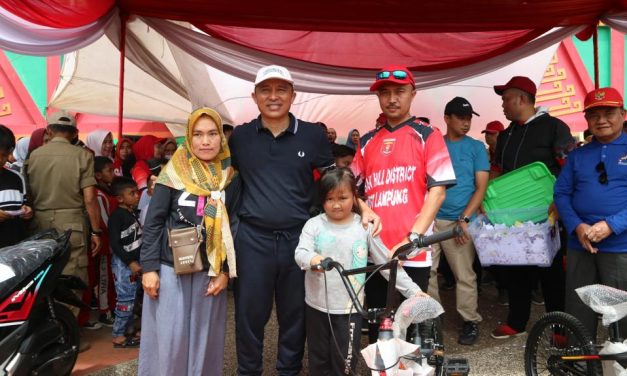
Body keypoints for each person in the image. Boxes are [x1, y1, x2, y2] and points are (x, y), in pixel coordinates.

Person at [229, 65, 379, 376]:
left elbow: (332, 181)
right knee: (248, 315)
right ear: (254, 96)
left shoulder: (311, 135)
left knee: (295, 315)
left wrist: (362, 206)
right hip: (252, 239)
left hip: (298, 240)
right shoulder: (241, 137)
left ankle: (288, 371)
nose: (273, 96)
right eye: (266, 90)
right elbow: (216, 176)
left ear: (293, 95)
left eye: (281, 89)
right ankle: (248, 371)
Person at [352, 64, 456, 343]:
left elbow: (438, 191)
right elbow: (350, 190)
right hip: (375, 252)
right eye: (385, 93)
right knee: (378, 327)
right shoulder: (367, 141)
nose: (392, 98)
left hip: (413, 251)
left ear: (413, 93)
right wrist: (365, 208)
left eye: (400, 91)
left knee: (411, 327)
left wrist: (413, 237)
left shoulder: (427, 134)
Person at [294, 168, 428, 375]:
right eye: (329, 199)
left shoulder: (364, 227)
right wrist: (314, 260)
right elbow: (301, 252)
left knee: (345, 362)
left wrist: (413, 291)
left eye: (343, 197)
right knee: (318, 360)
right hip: (316, 307)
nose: (336, 204)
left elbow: (387, 264)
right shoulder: (313, 225)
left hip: (350, 310)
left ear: (355, 197)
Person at [139, 108, 236, 375]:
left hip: (211, 271)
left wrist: (225, 272)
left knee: (206, 342)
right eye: (199, 134)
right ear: (188, 138)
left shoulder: (230, 177)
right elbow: (154, 223)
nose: (206, 141)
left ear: (222, 138)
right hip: (170, 269)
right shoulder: (172, 174)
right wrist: (149, 268)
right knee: (169, 340)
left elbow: (234, 227)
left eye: (212, 134)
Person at [490, 76, 572, 339]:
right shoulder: (505, 135)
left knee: (551, 273)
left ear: (522, 99)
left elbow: (569, 168)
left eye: (506, 99)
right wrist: (488, 200)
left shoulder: (555, 127)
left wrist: (560, 202)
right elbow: (497, 171)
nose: (503, 105)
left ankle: (561, 328)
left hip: (548, 213)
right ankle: (517, 322)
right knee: (516, 270)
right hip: (512, 216)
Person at [554, 87, 627, 339]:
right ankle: (581, 362)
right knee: (578, 306)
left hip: (620, 246)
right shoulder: (578, 155)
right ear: (587, 120)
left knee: (621, 311)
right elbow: (561, 194)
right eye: (594, 115)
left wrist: (612, 225)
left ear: (623, 114)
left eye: (609, 113)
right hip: (580, 244)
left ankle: (620, 363)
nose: (602, 120)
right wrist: (578, 226)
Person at [427, 97, 489, 345]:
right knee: (427, 273)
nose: (466, 123)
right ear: (447, 118)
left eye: (469, 118)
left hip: (459, 222)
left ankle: (470, 320)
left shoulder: (476, 147)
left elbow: (481, 188)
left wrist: (464, 219)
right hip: (432, 220)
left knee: (464, 274)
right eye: (461, 118)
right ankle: (432, 318)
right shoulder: (433, 145)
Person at [25, 111, 102, 310]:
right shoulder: (83, 156)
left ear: (49, 131)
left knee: (43, 276)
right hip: (73, 225)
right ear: (75, 133)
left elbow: (29, 196)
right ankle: (66, 333)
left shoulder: (33, 156)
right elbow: (90, 198)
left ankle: (47, 332)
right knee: (72, 279)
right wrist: (96, 231)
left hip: (39, 224)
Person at [108, 177, 142, 347]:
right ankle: (118, 335)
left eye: (137, 192)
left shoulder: (133, 213)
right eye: (132, 193)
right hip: (124, 264)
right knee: (125, 299)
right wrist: (130, 262)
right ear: (120, 198)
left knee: (133, 298)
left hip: (134, 263)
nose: (137, 196)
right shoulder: (117, 216)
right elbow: (115, 244)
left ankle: (128, 330)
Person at [92, 156, 117, 327]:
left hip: (111, 243)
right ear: (98, 175)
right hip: (105, 244)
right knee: (104, 278)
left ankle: (109, 307)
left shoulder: (106, 191)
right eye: (109, 171)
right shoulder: (99, 195)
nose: (113, 174)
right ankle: (104, 311)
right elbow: (106, 221)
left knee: (109, 277)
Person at [0, 125, 32, 248]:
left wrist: (27, 212)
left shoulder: (16, 177)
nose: (3, 160)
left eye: (6, 155)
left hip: (14, 247)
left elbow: (23, 204)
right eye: (0, 154)